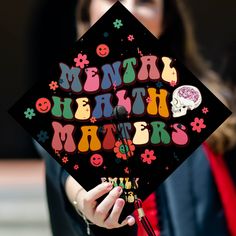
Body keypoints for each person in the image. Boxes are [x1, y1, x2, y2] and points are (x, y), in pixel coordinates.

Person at [32, 0, 236, 235]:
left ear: (165, 19)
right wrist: (84, 199)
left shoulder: (206, 102)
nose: (127, 11)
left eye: (145, 1)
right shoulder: (65, 106)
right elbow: (64, 169)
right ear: (87, 12)